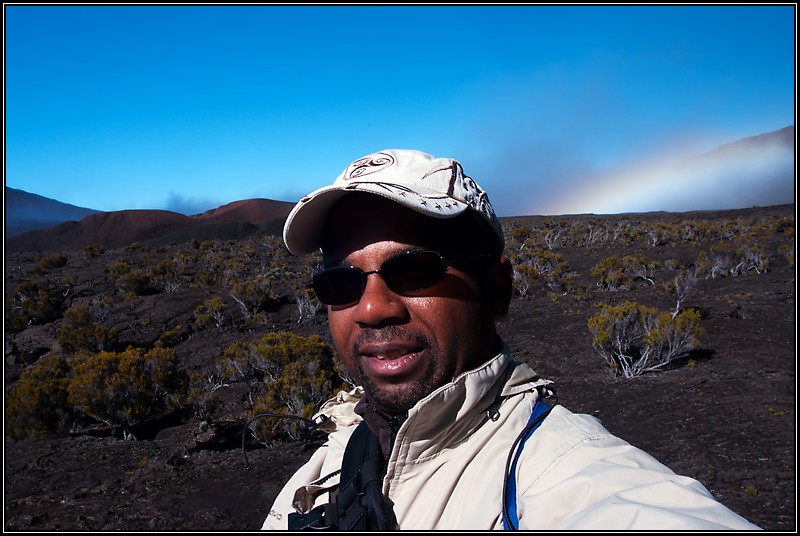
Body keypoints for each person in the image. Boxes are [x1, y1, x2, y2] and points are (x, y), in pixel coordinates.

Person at [262, 149, 759, 530]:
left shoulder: (556, 476)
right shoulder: (334, 455)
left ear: (495, 289)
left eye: (415, 270)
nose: (372, 308)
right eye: (341, 283)